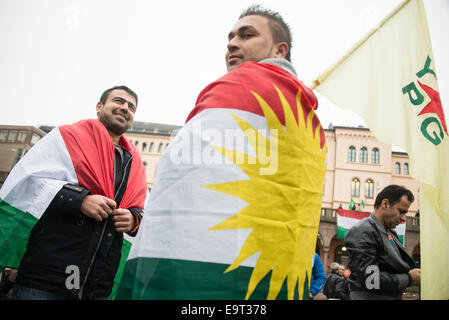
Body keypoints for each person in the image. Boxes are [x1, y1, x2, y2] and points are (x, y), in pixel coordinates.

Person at [0, 86, 147, 300]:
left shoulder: (136, 163)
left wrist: (133, 220)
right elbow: (27, 181)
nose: (125, 108)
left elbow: (141, 210)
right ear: (100, 106)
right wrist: (80, 200)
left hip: (97, 287)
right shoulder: (66, 137)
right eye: (118, 101)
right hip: (46, 281)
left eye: (131, 107)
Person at [344, 185, 420, 300]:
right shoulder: (364, 231)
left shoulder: (390, 233)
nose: (404, 218)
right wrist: (409, 278)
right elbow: (371, 280)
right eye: (401, 211)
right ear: (385, 204)